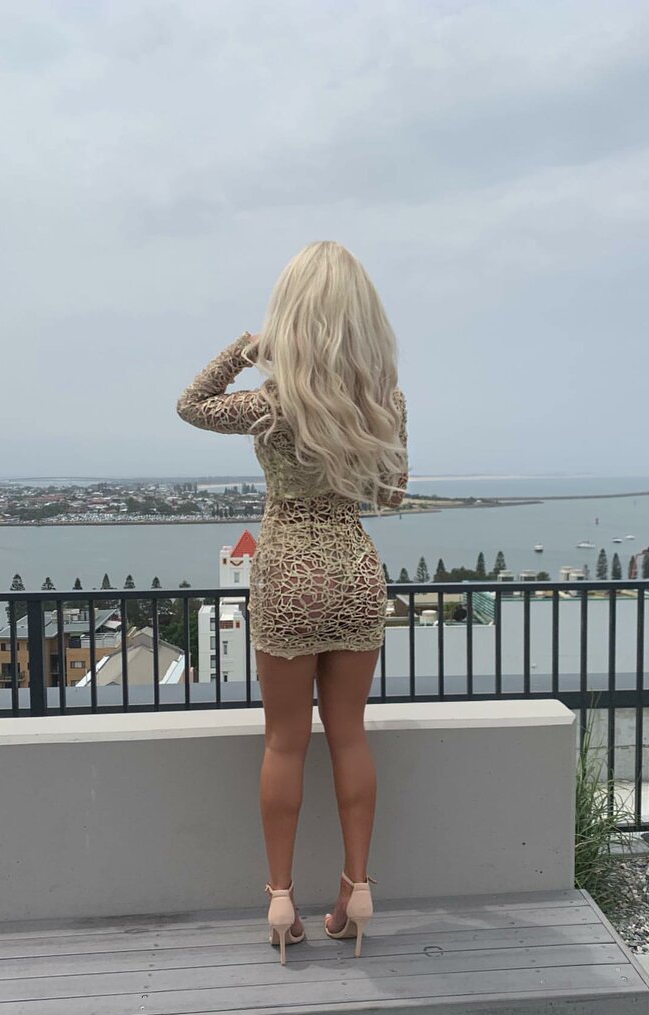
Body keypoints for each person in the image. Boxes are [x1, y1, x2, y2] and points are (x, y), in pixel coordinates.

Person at [176, 241, 408, 965]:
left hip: (287, 576)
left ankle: (281, 900)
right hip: (354, 571)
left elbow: (191, 405)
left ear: (293, 315)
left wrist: (248, 347)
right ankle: (356, 891)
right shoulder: (385, 401)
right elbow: (391, 495)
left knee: (284, 741)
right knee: (350, 735)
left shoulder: (273, 401)